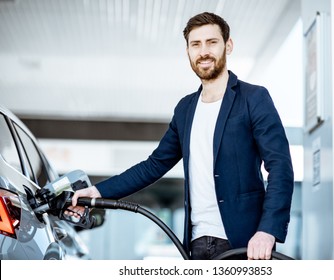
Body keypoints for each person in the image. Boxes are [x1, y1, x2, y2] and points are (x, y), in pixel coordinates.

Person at [69, 12, 294, 260]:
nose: (203, 51)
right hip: (196, 244)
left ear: (228, 45)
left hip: (246, 243)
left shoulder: (253, 98)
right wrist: (98, 192)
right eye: (196, 44)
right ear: (187, 51)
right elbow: (153, 166)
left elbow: (280, 167)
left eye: (212, 42)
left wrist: (267, 230)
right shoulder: (185, 109)